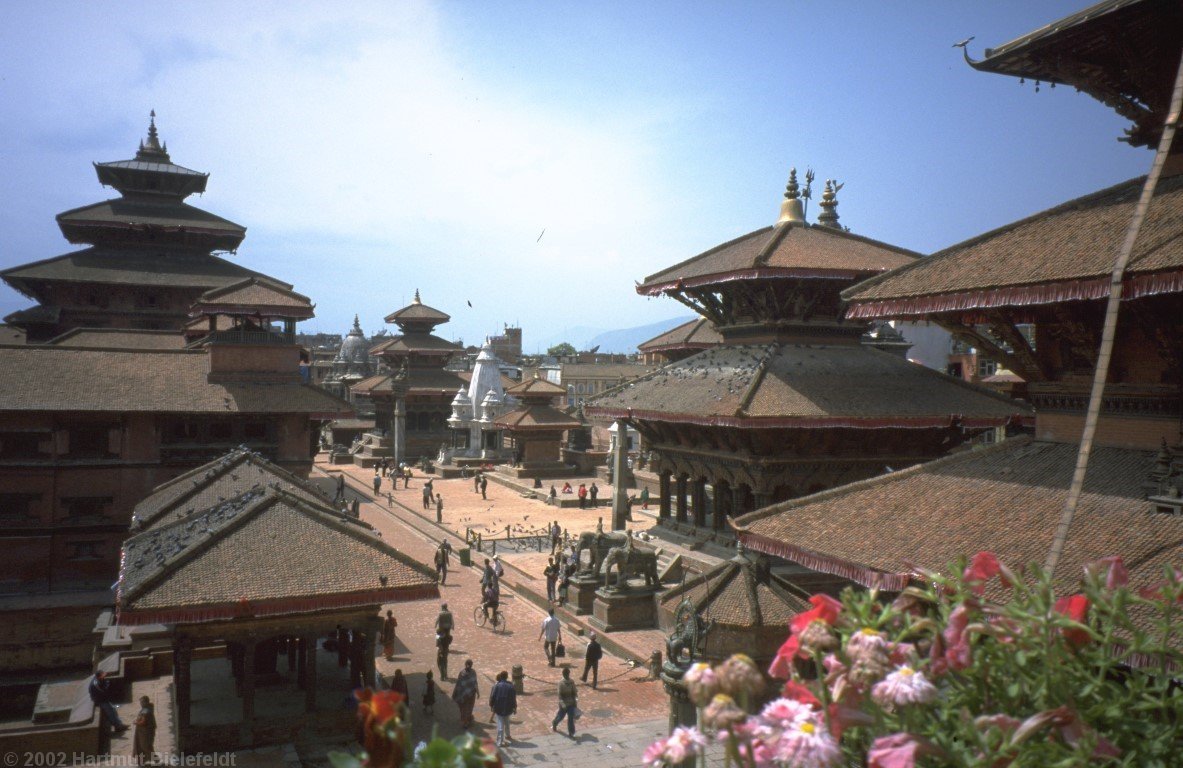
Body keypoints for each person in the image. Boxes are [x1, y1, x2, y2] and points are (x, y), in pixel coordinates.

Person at [89, 670, 128, 735]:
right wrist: (107, 685)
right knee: (111, 712)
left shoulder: (99, 679)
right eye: (103, 675)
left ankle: (119, 724)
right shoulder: (95, 684)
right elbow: (103, 691)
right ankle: (118, 727)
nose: (105, 676)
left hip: (103, 699)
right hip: (100, 700)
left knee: (114, 710)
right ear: (99, 676)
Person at [488, 670, 517, 747]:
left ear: (501, 676)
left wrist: (491, 705)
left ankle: (499, 742)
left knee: (500, 725)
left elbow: (493, 696)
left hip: (499, 707)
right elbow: (513, 698)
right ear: (507, 677)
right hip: (508, 708)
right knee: (507, 722)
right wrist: (515, 707)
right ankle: (508, 735)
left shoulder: (497, 686)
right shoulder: (511, 686)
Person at [551, 666, 579, 738]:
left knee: (571, 719)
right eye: (565, 674)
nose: (566, 675)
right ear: (563, 674)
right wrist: (563, 704)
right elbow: (559, 695)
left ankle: (571, 733)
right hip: (563, 705)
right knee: (560, 717)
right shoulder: (560, 683)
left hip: (571, 704)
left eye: (567, 674)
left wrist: (576, 700)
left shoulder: (572, 682)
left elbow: (575, 692)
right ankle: (554, 723)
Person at [452, 659, 479, 728]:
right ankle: (466, 721)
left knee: (466, 708)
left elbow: (475, 683)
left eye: (470, 665)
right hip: (466, 694)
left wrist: (478, 692)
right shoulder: (467, 673)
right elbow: (459, 683)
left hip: (468, 694)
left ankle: (465, 721)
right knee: (466, 708)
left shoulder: (469, 672)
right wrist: (478, 692)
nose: (469, 666)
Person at [133, 695, 155, 764]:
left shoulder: (146, 711)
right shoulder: (147, 709)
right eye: (140, 702)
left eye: (142, 702)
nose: (141, 704)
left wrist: (136, 722)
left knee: (145, 746)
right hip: (142, 732)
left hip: (145, 733)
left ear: (146, 702)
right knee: (141, 746)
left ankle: (155, 760)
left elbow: (143, 722)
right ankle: (142, 761)